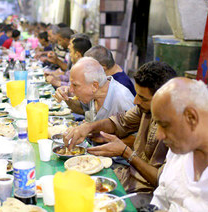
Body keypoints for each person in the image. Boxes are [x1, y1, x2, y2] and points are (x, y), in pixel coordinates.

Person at [64, 61, 177, 207]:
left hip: (148, 193)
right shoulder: (143, 109)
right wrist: (88, 127)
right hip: (128, 175)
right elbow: (120, 121)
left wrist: (127, 153)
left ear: (163, 98)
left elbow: (161, 182)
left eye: (143, 98)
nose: (135, 101)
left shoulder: (177, 128)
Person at [150, 78, 208, 211]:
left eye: (164, 125)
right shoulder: (180, 147)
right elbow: (161, 199)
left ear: (191, 117)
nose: (159, 135)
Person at [56, 57, 134, 122]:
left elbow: (135, 138)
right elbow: (80, 109)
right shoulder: (94, 93)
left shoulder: (122, 100)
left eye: (75, 85)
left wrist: (101, 134)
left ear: (94, 86)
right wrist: (66, 97)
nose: (71, 89)